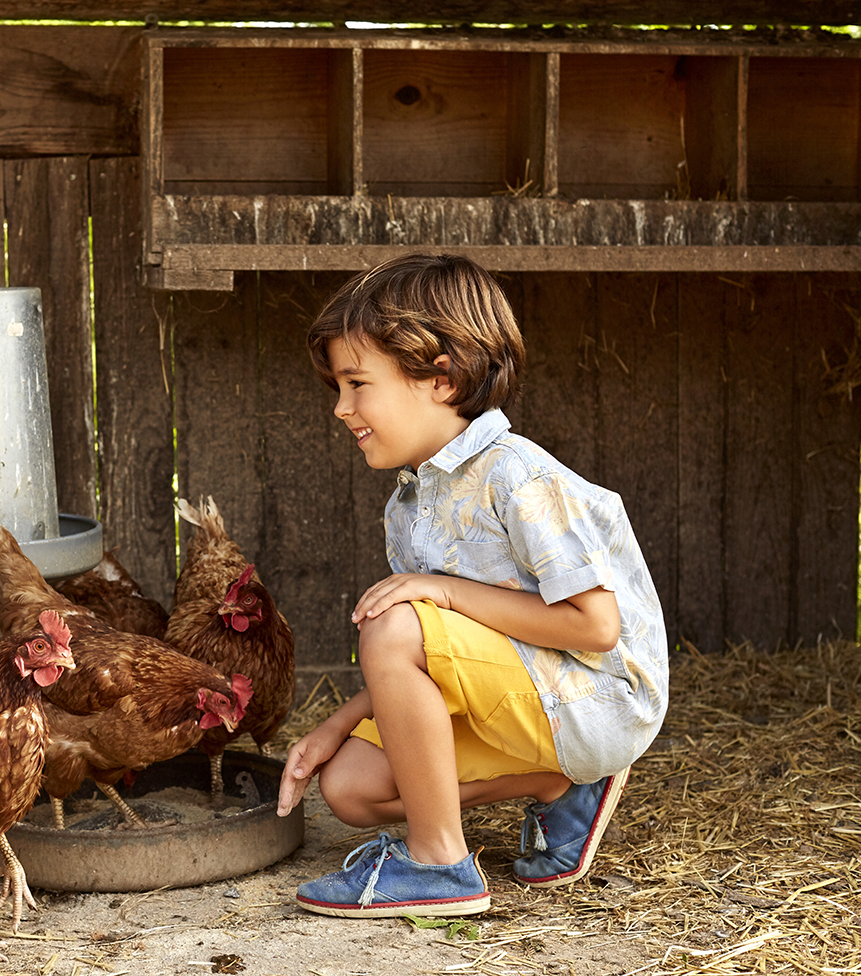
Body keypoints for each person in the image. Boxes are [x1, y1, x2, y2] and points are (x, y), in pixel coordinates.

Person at [276, 253, 668, 919]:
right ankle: (559, 783)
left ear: (440, 377)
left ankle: (439, 862)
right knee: (350, 788)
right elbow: (432, 655)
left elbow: (595, 627)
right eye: (337, 389)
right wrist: (337, 724)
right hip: (527, 700)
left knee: (394, 619)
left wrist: (443, 592)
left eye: (357, 383)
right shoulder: (408, 508)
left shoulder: (515, 476)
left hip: (596, 695)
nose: (342, 409)